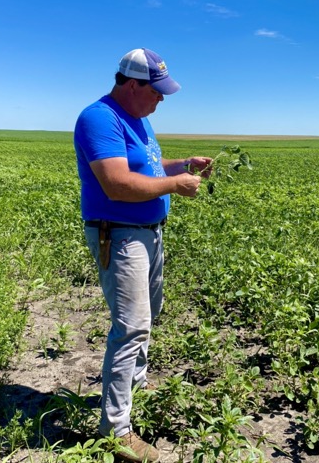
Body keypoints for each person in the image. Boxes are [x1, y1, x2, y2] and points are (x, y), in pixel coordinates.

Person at [73, 47, 212, 463]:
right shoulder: (99, 118)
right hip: (120, 235)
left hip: (149, 234)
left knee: (149, 314)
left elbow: (148, 166)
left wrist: (182, 164)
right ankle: (116, 431)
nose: (162, 98)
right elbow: (117, 184)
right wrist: (175, 186)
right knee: (131, 327)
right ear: (132, 85)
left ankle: (136, 387)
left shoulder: (140, 119)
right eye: (157, 90)